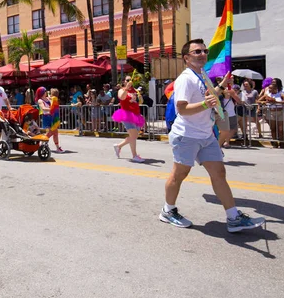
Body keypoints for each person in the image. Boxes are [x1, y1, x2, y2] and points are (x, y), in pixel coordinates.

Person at [160, 39, 265, 232]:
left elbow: (208, 98)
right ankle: (168, 210)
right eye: (197, 51)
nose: (202, 54)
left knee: (219, 174)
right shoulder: (186, 78)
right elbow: (181, 109)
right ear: (186, 58)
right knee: (179, 175)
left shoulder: (202, 75)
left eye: (204, 51)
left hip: (205, 135)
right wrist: (205, 105)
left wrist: (222, 85)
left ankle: (233, 218)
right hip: (187, 135)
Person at [112, 76, 145, 162]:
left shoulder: (135, 90)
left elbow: (140, 102)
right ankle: (134, 156)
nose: (130, 81)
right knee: (133, 136)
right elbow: (121, 97)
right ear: (124, 81)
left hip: (136, 115)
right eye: (127, 80)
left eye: (131, 80)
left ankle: (118, 146)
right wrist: (126, 88)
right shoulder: (122, 90)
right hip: (126, 114)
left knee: (134, 136)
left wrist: (139, 96)